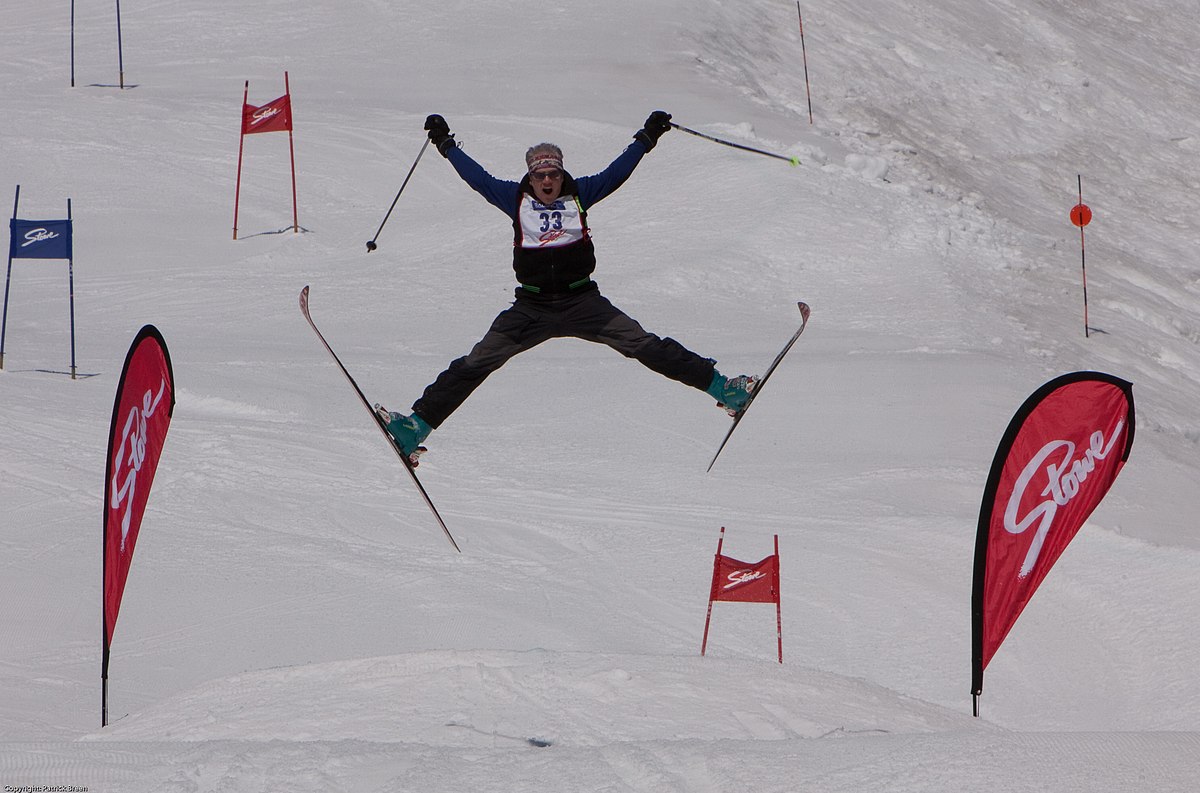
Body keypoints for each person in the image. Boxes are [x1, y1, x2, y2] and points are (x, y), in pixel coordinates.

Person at [379, 111, 757, 463]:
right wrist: (446, 145)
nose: (547, 182)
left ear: (562, 174)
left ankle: (726, 391)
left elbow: (617, 172)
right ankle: (414, 428)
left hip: (583, 302)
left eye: (554, 175)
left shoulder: (580, 195)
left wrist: (646, 138)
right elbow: (476, 177)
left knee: (648, 346)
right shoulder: (514, 199)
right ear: (530, 176)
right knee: (475, 363)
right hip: (531, 308)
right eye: (540, 175)